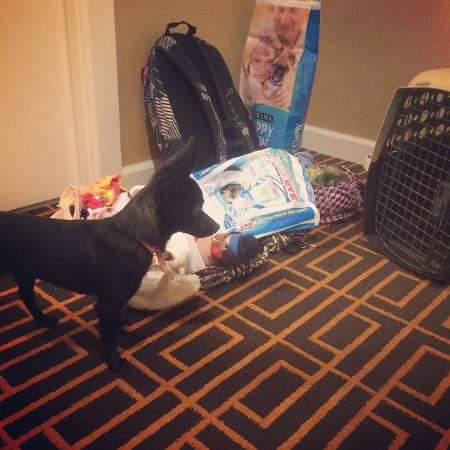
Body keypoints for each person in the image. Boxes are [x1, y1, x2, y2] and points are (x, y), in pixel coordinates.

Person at [240, 34, 288, 108]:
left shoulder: (269, 84)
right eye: (256, 60)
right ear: (247, 61)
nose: (262, 69)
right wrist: (270, 103)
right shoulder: (251, 81)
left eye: (269, 61)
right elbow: (262, 106)